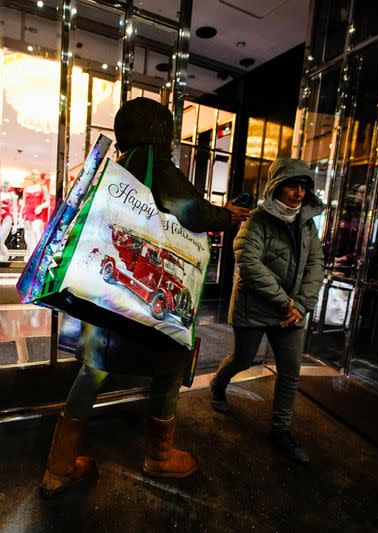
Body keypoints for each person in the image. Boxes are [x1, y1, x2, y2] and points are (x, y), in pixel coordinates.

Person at [40, 97, 251, 497]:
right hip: (146, 307)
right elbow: (191, 211)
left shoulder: (112, 172)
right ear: (162, 133)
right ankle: (159, 456)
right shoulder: (158, 167)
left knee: (91, 373)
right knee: (170, 369)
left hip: (102, 302)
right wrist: (226, 215)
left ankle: (59, 467)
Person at [209, 157, 325, 464]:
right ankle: (218, 385)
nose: (298, 193)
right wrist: (286, 302)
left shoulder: (307, 224)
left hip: (292, 312)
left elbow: (316, 264)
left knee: (290, 372)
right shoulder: (257, 219)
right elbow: (248, 263)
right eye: (292, 186)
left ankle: (280, 430)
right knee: (243, 359)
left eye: (303, 187)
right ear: (277, 186)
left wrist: (301, 305)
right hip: (255, 307)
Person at [20, 171, 50, 259]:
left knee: (36, 230)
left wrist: (41, 206)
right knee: (28, 232)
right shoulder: (26, 188)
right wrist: (20, 217)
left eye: (36, 174)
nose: (34, 176)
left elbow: (48, 201)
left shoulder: (43, 187)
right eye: (33, 174)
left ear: (39, 176)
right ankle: (30, 252)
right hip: (27, 212)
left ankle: (39, 252)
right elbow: (24, 203)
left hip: (38, 212)